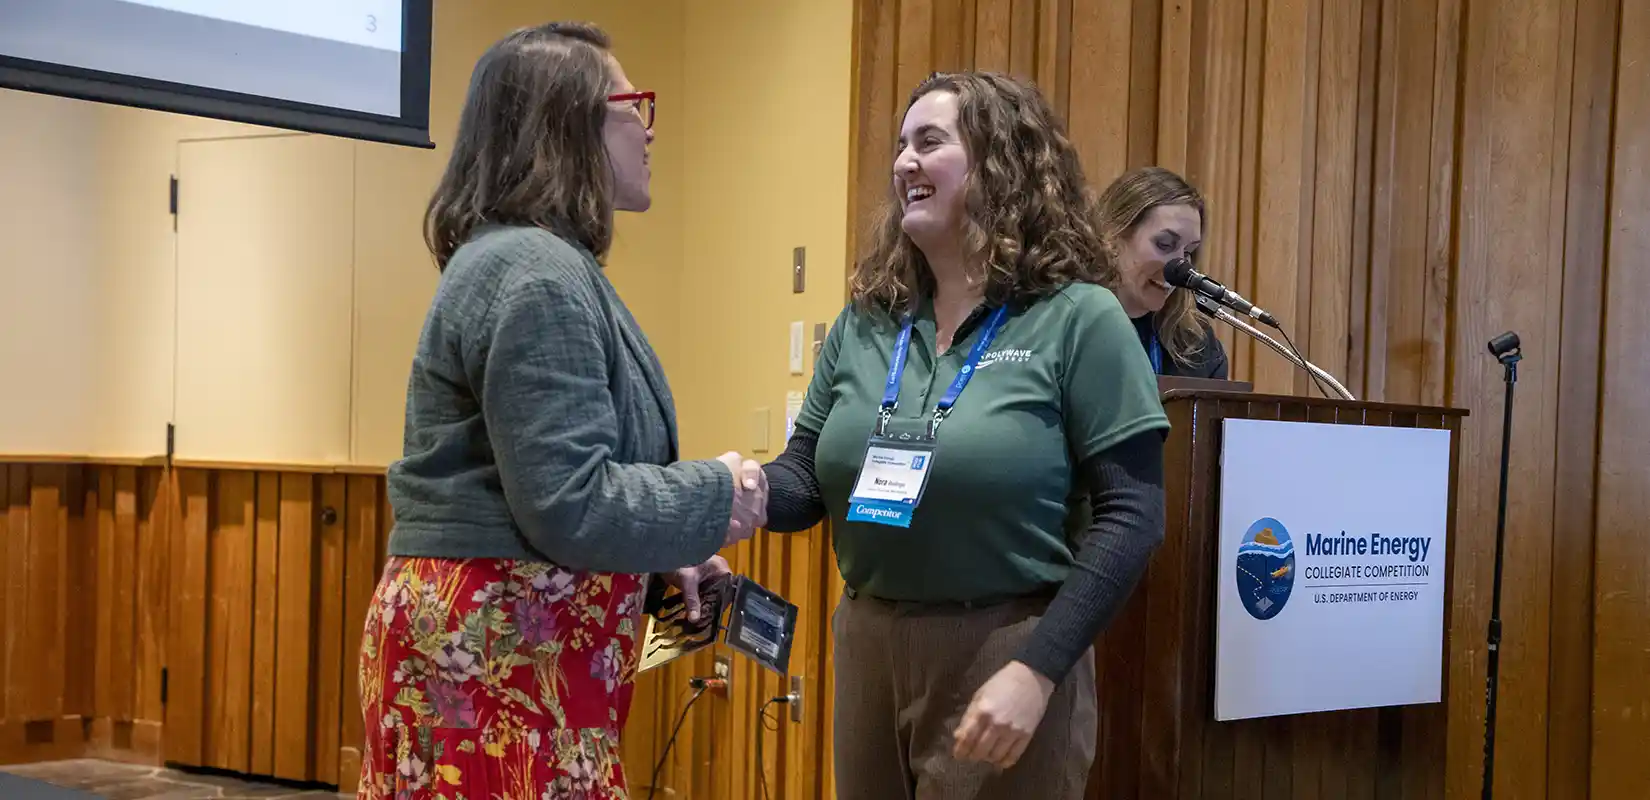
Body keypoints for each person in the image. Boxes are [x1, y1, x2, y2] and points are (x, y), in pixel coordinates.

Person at [355, 22, 766, 798]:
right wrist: (717, 494)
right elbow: (567, 503)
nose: (647, 130)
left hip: (508, 648)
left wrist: (663, 552)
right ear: (568, 124)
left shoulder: (532, 260)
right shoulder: (536, 270)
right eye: (630, 105)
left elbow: (550, 488)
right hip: (493, 658)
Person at [761, 72, 1169, 799]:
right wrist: (729, 492)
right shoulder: (869, 318)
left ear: (1000, 164)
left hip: (1006, 649)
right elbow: (803, 479)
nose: (903, 163)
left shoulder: (1081, 318)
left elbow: (1132, 516)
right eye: (899, 145)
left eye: (929, 142)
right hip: (868, 645)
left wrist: (1040, 669)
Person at [1095, 165, 1229, 378]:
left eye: (1189, 252)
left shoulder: (1199, 348)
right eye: (1165, 244)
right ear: (1113, 236)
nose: (1180, 268)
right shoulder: (1062, 327)